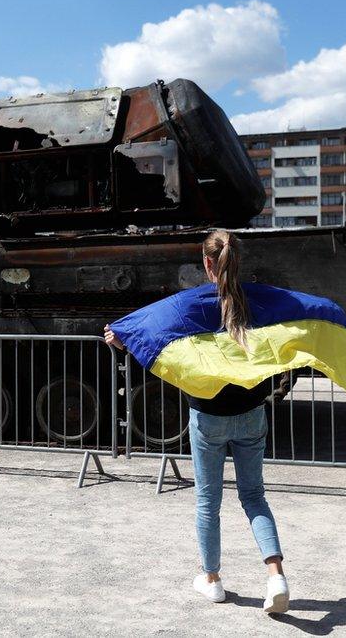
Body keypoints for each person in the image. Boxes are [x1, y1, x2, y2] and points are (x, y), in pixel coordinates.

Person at [104, 230, 290, 613]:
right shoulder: (259, 299)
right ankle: (276, 577)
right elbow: (301, 313)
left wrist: (121, 337)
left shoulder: (190, 305)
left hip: (208, 418)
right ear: (236, 261)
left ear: (206, 263)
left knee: (209, 502)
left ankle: (213, 579)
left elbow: (153, 329)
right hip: (252, 414)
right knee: (254, 497)